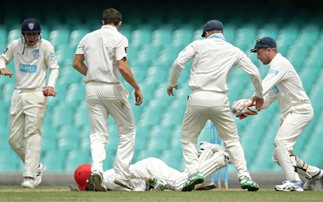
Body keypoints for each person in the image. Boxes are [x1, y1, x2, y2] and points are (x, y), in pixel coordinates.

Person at [167, 20, 264, 192]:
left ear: (206, 33)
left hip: (197, 97)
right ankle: (245, 176)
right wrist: (258, 94)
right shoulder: (233, 50)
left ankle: (194, 171)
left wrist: (172, 83)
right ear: (222, 33)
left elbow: (178, 63)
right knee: (232, 141)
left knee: (188, 140)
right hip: (220, 99)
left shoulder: (198, 44)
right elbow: (254, 72)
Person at [72, 8, 143, 191]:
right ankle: (121, 174)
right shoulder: (119, 38)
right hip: (111, 87)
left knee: (98, 134)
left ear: (102, 22)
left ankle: (97, 169)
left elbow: (76, 63)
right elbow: (121, 65)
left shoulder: (87, 37)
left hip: (92, 89)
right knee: (127, 131)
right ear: (119, 23)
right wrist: (136, 86)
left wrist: (92, 74)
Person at [250, 37, 323, 191]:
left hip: (300, 110)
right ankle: (314, 173)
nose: (257, 56)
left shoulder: (279, 64)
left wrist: (247, 102)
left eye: (259, 52)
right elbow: (267, 99)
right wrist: (251, 110)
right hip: (291, 112)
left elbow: (263, 87)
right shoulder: (276, 68)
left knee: (281, 143)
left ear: (269, 50)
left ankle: (294, 182)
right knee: (279, 155)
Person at [0, 18, 59, 188]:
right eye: (28, 34)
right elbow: (3, 58)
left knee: (32, 134)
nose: (31, 37)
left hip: (37, 93)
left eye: (34, 34)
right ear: (23, 34)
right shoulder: (15, 45)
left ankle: (29, 177)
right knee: (13, 140)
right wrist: (2, 66)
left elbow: (54, 67)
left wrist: (50, 85)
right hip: (18, 93)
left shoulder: (46, 46)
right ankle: (37, 167)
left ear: (39, 34)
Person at [73, 142, 230, 191]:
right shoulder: (107, 185)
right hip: (149, 170)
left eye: (87, 187)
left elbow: (127, 174)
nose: (88, 191)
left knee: (182, 185)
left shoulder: (106, 180)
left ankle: (219, 159)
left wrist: (151, 180)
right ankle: (206, 152)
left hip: (150, 169)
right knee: (189, 184)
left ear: (92, 181)